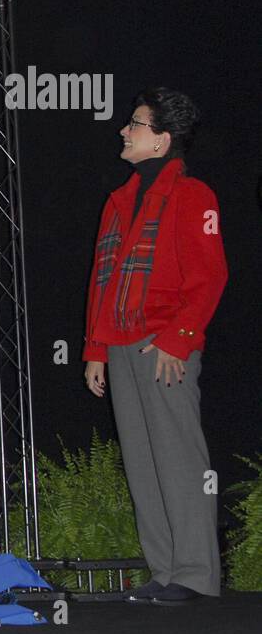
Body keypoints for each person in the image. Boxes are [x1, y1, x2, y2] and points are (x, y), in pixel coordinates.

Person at [83, 88, 227, 605]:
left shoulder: (194, 195)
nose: (125, 130)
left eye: (136, 124)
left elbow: (209, 277)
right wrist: (95, 347)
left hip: (163, 342)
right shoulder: (119, 201)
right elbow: (102, 281)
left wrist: (179, 339)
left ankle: (194, 574)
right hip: (122, 344)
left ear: (162, 140)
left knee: (180, 459)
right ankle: (164, 570)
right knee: (143, 461)